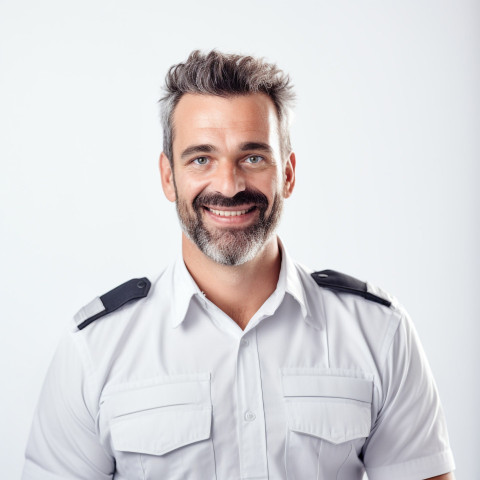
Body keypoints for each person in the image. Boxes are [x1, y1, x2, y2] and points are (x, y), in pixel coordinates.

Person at [22, 50, 455, 480]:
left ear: (287, 173)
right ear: (168, 176)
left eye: (252, 157)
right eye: (201, 159)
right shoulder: (95, 349)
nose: (229, 186)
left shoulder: (379, 332)